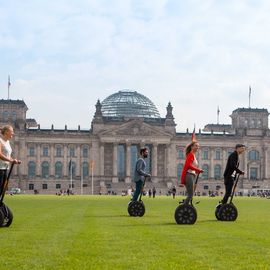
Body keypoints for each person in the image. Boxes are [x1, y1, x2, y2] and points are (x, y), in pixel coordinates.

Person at [0, 125, 21, 196]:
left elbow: (7, 156)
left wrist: (14, 160)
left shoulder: (7, 142)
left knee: (3, 190)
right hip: (0, 169)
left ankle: (1, 206)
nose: (13, 133)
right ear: (6, 132)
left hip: (5, 169)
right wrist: (11, 161)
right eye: (11, 131)